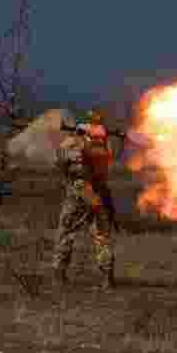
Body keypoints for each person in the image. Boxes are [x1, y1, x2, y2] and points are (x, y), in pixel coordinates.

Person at [52, 108, 117, 291]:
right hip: (99, 193)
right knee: (102, 236)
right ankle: (107, 278)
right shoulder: (104, 144)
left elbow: (61, 162)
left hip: (79, 191)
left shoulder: (73, 142)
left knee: (66, 231)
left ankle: (59, 273)